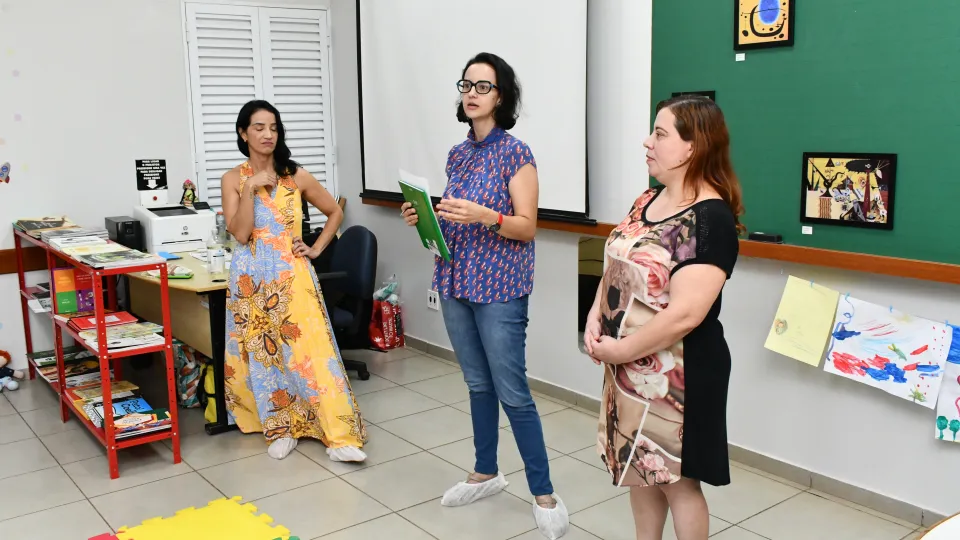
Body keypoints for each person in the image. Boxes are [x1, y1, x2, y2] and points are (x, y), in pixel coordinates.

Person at [400, 52, 569, 539]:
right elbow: (452, 222)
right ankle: (486, 470)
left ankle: (543, 492)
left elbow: (527, 226)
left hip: (500, 289)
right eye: (466, 84)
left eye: (483, 86)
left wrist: (487, 217)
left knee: (512, 390)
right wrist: (424, 220)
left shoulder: (515, 153)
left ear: (501, 97)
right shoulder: (458, 154)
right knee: (477, 384)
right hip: (455, 281)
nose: (471, 93)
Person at [584, 95, 743, 540]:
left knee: (677, 480)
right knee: (640, 466)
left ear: (692, 147)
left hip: (680, 372)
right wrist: (596, 315)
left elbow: (685, 315)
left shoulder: (711, 220)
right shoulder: (647, 199)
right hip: (629, 366)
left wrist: (621, 348)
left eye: (660, 134)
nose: (647, 142)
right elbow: (617, 262)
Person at [220, 99, 367, 462]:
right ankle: (281, 427)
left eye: (273, 127)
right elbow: (240, 234)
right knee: (264, 357)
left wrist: (316, 248)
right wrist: (250, 188)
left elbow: (334, 211)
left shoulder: (295, 174)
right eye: (258, 127)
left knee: (312, 353)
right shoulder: (232, 179)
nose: (268, 134)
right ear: (243, 133)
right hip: (251, 281)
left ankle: (339, 433)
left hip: (291, 275)